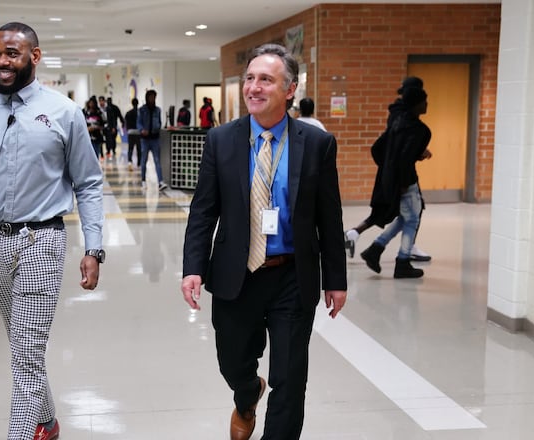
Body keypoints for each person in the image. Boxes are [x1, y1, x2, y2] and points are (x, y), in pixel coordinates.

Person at [0, 22, 105, 440]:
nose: (2, 62)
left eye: (12, 53)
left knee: (25, 353)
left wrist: (94, 247)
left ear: (35, 56)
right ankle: (47, 421)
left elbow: (88, 183)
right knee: (21, 343)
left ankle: (23, 432)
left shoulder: (64, 112)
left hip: (41, 241)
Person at [181, 43, 347, 440]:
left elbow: (330, 214)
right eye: (250, 79)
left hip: (292, 274)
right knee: (233, 361)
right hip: (236, 273)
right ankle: (247, 390)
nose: (254, 87)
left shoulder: (316, 144)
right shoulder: (222, 140)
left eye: (266, 80)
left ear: (289, 90)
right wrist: (193, 268)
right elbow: (204, 210)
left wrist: (336, 278)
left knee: (290, 378)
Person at [343, 76, 431, 262]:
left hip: (392, 172)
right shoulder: (407, 121)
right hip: (399, 175)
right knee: (401, 213)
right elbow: (399, 150)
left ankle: (374, 245)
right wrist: (395, 168)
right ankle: (391, 249)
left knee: (399, 213)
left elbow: (386, 147)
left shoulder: (398, 115)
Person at [137, 89, 168, 191]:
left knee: (157, 160)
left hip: (155, 138)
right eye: (150, 97)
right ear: (147, 98)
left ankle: (160, 182)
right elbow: (139, 123)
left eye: (154, 97)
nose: (152, 99)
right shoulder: (142, 110)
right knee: (143, 160)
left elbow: (159, 122)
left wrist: (157, 127)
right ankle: (143, 181)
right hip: (145, 140)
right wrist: (142, 130)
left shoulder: (157, 110)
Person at [100, 96, 124, 160]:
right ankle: (109, 150)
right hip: (108, 127)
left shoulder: (111, 108)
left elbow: (117, 117)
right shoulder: (103, 109)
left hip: (112, 126)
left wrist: (119, 124)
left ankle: (112, 150)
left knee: (112, 139)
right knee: (110, 139)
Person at [125, 98, 141, 172]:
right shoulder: (140, 113)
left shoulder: (128, 113)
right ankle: (139, 164)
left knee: (130, 148)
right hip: (138, 133)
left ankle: (129, 162)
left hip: (131, 132)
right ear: (137, 103)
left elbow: (126, 123)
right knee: (139, 149)